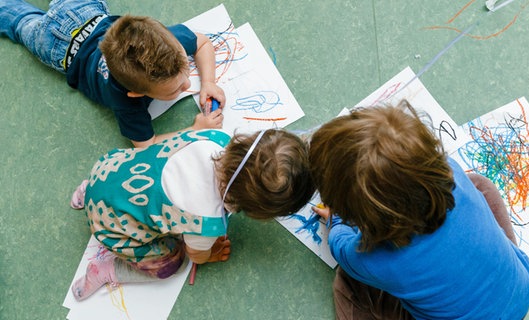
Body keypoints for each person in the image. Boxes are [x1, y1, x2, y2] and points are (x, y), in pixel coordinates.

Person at [310, 101, 529, 319]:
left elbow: (340, 247)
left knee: (347, 284)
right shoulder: (452, 172)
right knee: (479, 184)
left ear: (362, 218)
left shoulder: (375, 259)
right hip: (520, 291)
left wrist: (337, 220)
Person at [69, 127, 315, 301]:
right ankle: (108, 270)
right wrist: (209, 254)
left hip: (108, 170)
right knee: (171, 264)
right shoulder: (206, 222)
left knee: (133, 173)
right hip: (110, 225)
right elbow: (196, 255)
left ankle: (86, 189)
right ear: (255, 210)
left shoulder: (213, 137)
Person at [0, 0, 225, 147]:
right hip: (55, 44)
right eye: (175, 89)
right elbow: (147, 144)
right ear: (137, 94)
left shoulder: (167, 44)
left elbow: (202, 43)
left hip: (82, 10)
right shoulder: (126, 102)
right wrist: (194, 130)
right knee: (20, 21)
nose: (187, 84)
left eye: (186, 71)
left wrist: (209, 82)